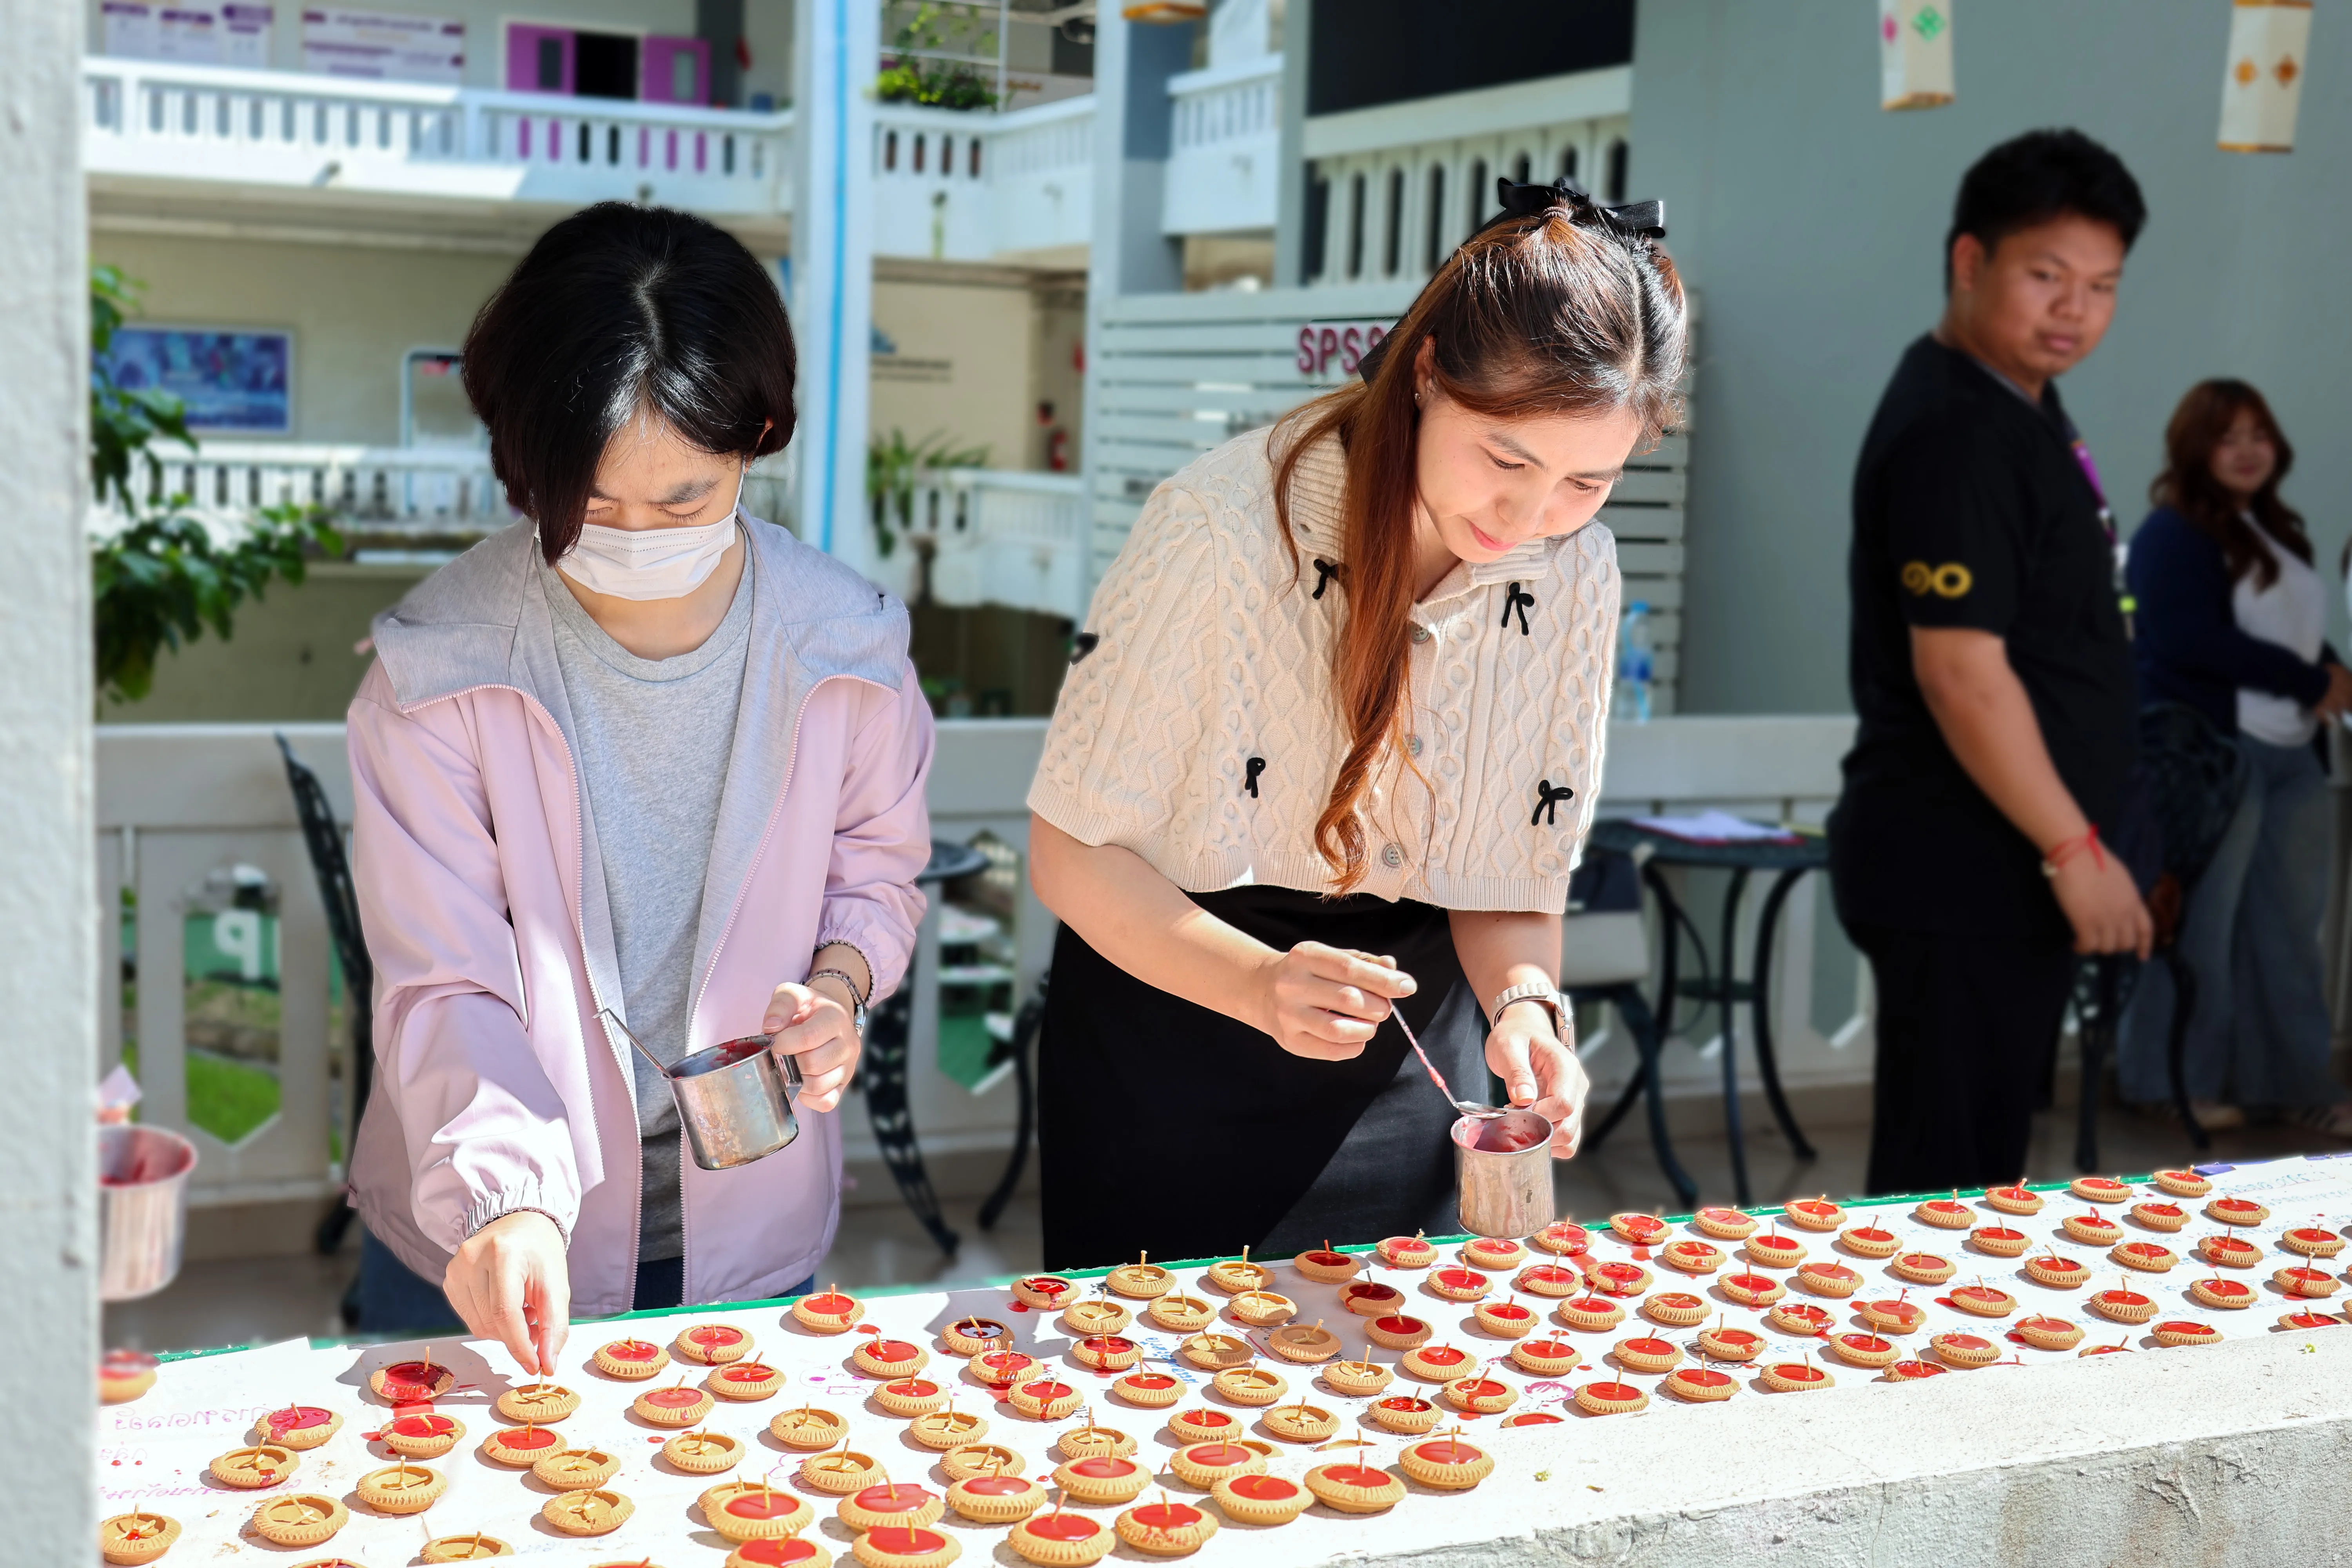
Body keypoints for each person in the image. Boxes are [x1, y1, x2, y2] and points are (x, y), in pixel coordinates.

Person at [1025, 178, 1687, 1269]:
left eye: (1587, 482)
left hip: (1412, 1059)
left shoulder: (1578, 571)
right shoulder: (1224, 530)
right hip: (1178, 1031)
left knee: (1395, 1400)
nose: (1529, 519)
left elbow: (1506, 873)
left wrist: (1529, 1013)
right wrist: (1253, 983)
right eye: (1507, 459)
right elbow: (1068, 851)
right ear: (1427, 373)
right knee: (1157, 1406)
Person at [345, 203, 934, 1371]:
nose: (632, 537)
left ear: (758, 436)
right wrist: (507, 1198)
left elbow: (878, 868)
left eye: (682, 501)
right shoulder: (437, 669)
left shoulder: (847, 649)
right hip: (488, 1232)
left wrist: (840, 985)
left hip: (753, 1229)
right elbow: (444, 980)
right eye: (589, 505)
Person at [1829, 129, 2152, 1195]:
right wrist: (2074, 850)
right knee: (1943, 1194)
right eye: (2046, 275)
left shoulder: (2023, 408)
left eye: (2102, 286)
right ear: (1971, 262)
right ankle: (1904, 1367)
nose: (2077, 310)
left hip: (1994, 877)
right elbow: (1960, 671)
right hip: (1961, 869)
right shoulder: (1958, 429)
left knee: (1979, 1179)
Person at [2120, 380, 2352, 1134]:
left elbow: (2289, 637)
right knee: (2202, 927)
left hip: (2295, 754)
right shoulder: (2170, 534)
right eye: (2229, 437)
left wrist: (2329, 673)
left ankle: (2291, 1086)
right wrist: (2313, 677)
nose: (2249, 449)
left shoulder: (2277, 531)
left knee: (2288, 929)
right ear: (2197, 449)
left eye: (2260, 433)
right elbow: (2191, 641)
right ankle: (2166, 1082)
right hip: (2215, 757)